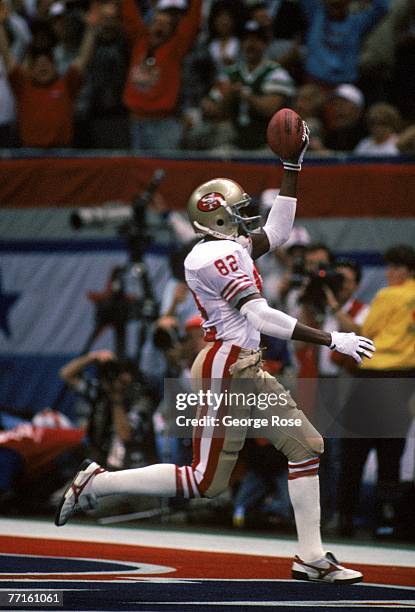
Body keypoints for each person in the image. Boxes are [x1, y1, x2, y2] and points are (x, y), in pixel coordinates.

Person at [54, 121, 376, 584]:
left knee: (306, 446)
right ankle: (99, 481)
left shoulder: (230, 246)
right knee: (206, 482)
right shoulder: (212, 257)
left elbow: (280, 231)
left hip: (244, 364)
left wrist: (292, 166)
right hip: (227, 366)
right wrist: (332, 338)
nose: (248, 218)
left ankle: (311, 556)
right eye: (239, 211)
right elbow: (262, 317)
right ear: (219, 219)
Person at [337, 245, 415, 537]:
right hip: (405, 379)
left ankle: (345, 516)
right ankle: (387, 519)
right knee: (391, 452)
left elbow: (366, 331)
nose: (391, 273)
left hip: (375, 376)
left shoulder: (388, 295)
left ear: (407, 270)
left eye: (397, 268)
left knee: (354, 451)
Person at [0, 0, 98, 147]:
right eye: (38, 65)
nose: (42, 67)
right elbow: (7, 56)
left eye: (47, 63)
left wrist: (92, 29)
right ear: (30, 70)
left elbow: (83, 58)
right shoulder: (22, 86)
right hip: (30, 155)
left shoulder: (66, 84)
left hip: (62, 154)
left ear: (55, 67)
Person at [202, 20, 295, 151]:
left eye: (256, 40)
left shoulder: (276, 73)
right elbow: (212, 108)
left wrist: (246, 95)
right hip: (235, 140)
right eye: (246, 40)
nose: (250, 44)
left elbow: (270, 108)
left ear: (265, 44)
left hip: (268, 143)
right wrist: (229, 95)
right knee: (216, 154)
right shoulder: (230, 73)